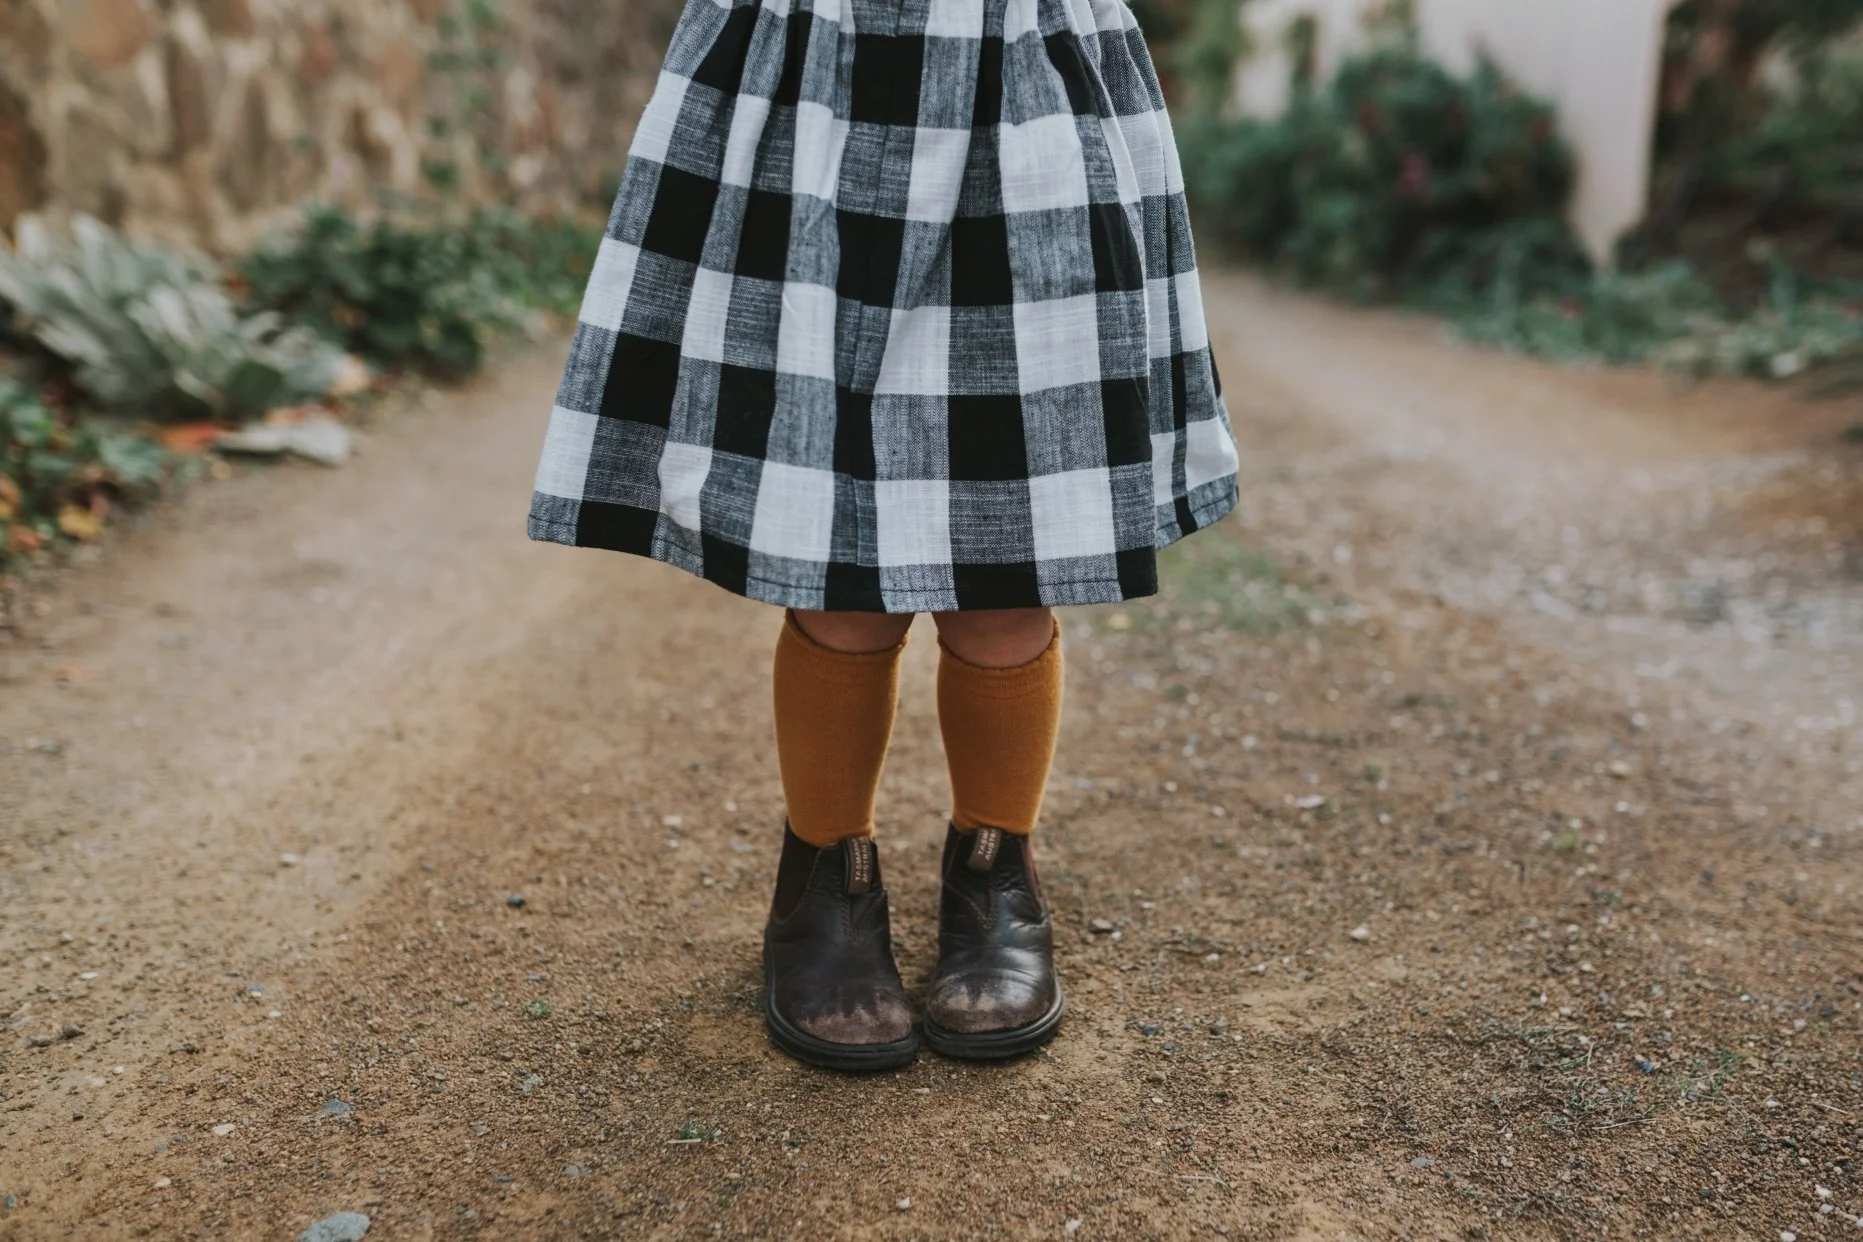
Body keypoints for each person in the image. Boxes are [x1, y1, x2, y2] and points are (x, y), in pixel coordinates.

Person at [528, 0, 1239, 1070]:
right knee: (839, 561)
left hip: (1022, 92)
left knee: (1009, 552)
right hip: (814, 89)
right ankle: (825, 878)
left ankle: (994, 870)